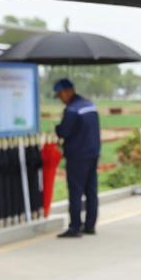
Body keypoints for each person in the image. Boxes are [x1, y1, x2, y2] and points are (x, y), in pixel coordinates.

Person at [53, 78, 101, 238]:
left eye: (60, 95)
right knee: (91, 190)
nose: (60, 99)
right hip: (93, 153)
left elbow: (64, 132)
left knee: (75, 191)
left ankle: (74, 226)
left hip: (77, 155)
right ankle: (90, 226)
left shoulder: (72, 109)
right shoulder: (90, 105)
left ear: (67, 92)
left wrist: (57, 128)